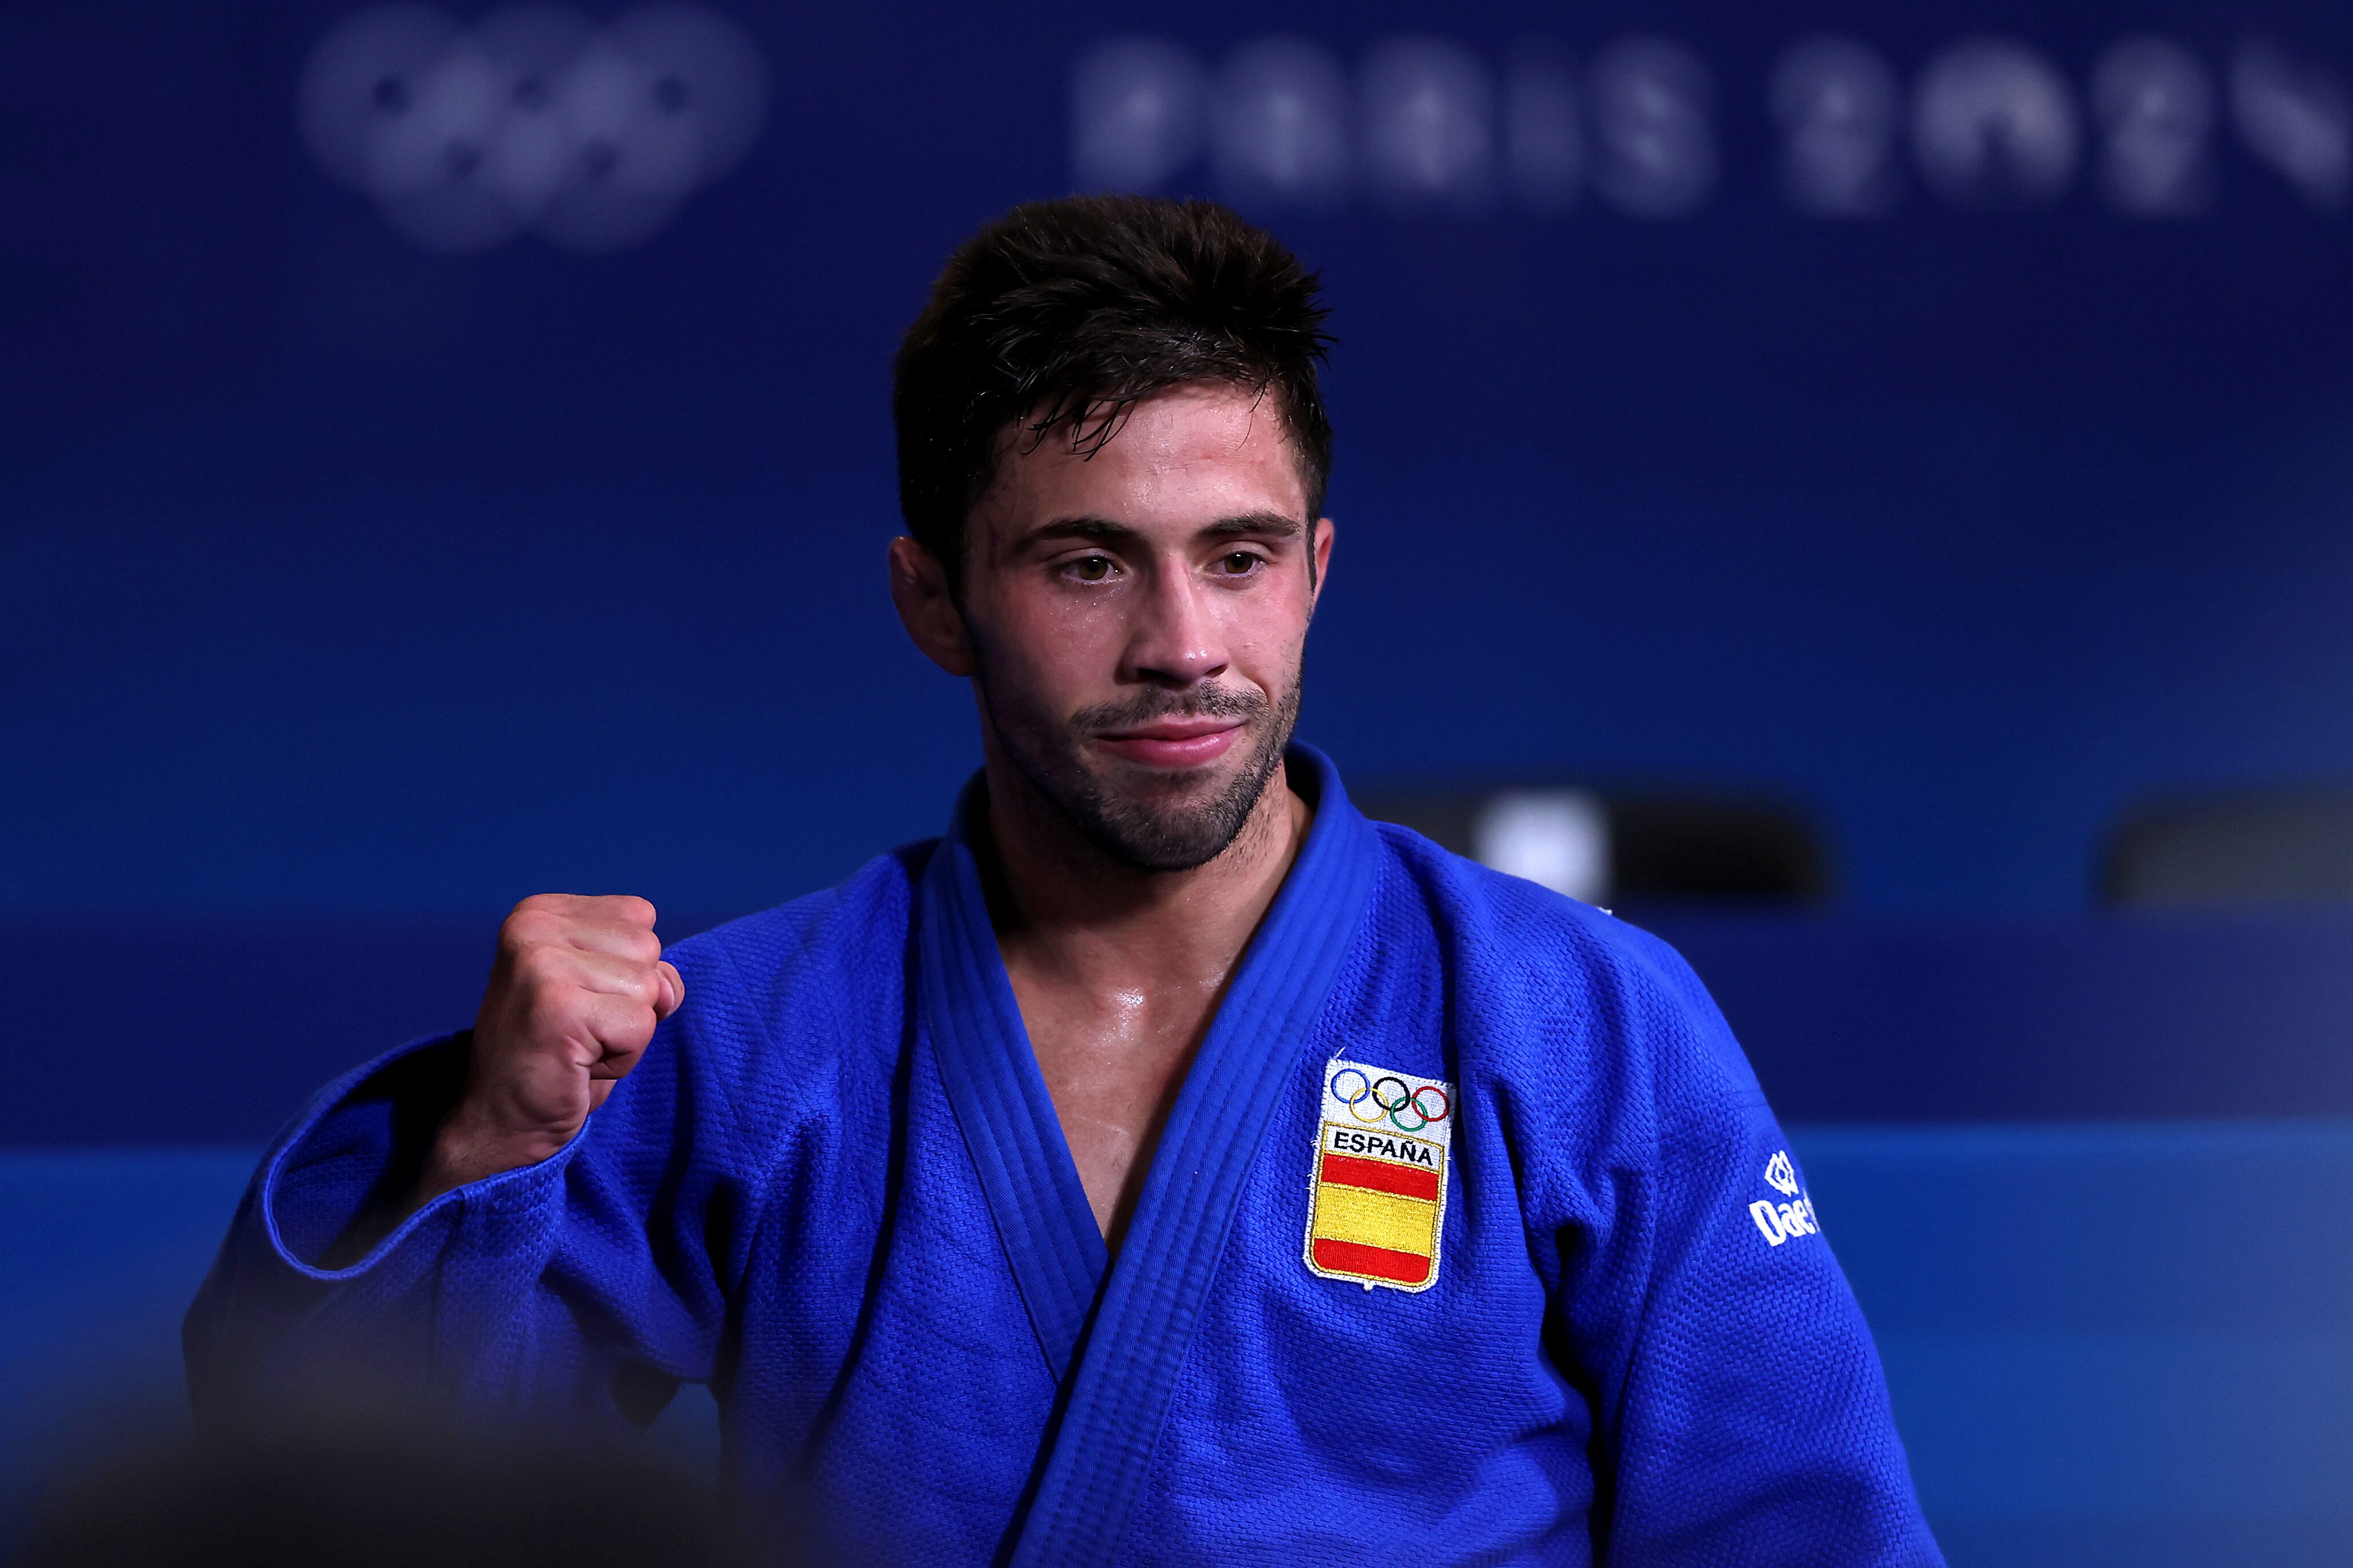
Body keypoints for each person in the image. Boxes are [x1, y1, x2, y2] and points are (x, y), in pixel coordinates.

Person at [187, 195, 1942, 1566]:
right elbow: (337, 1497)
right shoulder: (749, 1046)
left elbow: (1802, 1535)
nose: (1185, 646)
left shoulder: (1580, 1024)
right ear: (933, 598)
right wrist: (486, 1144)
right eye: (1089, 562)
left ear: (1316, 571)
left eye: (1238, 558)